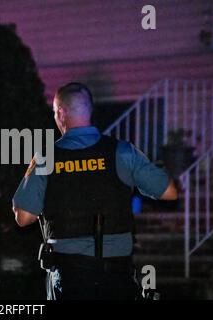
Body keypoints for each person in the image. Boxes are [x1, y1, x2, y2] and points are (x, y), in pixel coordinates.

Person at [12, 82, 177, 300]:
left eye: (54, 113)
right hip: (117, 276)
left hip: (68, 278)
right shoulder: (123, 152)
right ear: (89, 111)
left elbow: (23, 217)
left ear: (61, 114)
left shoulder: (45, 158)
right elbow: (170, 193)